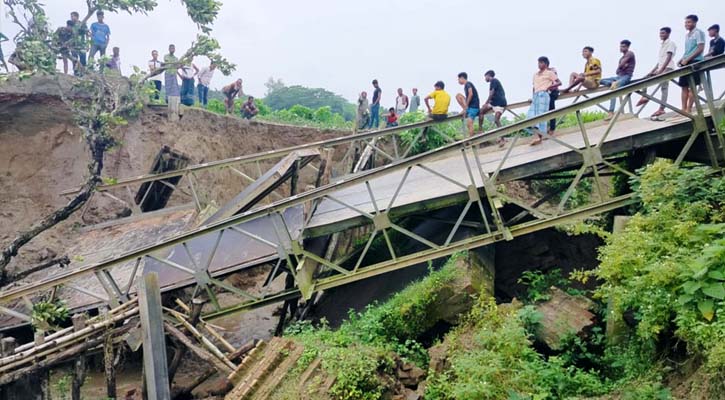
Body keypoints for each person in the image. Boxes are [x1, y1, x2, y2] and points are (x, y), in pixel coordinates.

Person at [637, 27, 677, 120]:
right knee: (645, 78)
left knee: (664, 87)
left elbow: (668, 57)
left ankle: (662, 108)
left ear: (668, 34)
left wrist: (661, 70)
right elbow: (660, 61)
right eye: (660, 33)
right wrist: (652, 71)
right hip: (661, 67)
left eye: (663, 33)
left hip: (668, 68)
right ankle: (644, 96)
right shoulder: (662, 45)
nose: (661, 35)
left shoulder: (671, 43)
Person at [528, 57, 561, 146]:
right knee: (531, 116)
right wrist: (533, 96)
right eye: (538, 62)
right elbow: (534, 86)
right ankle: (538, 136)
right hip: (536, 95)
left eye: (541, 63)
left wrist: (548, 87)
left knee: (541, 116)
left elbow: (559, 82)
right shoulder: (535, 75)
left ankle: (538, 137)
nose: (539, 64)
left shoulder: (550, 73)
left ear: (546, 64)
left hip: (544, 95)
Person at [600, 40, 636, 119]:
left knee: (614, 89)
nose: (621, 48)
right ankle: (611, 83)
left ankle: (611, 112)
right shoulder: (622, 57)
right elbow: (618, 70)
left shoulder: (630, 53)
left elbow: (621, 66)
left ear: (627, 47)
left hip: (626, 77)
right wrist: (622, 66)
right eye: (620, 46)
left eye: (623, 46)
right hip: (618, 77)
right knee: (599, 80)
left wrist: (622, 66)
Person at [677, 15, 706, 114]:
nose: (686, 24)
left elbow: (700, 48)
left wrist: (688, 59)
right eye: (685, 22)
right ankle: (683, 109)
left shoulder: (698, 33)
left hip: (695, 61)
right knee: (683, 86)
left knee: (693, 86)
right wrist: (682, 59)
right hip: (686, 61)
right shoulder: (687, 35)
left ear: (694, 22)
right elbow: (688, 50)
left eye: (689, 22)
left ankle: (689, 109)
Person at [480, 70, 508, 146]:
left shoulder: (494, 80)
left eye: (485, 76)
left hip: (499, 103)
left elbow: (491, 93)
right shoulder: (492, 82)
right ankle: (480, 130)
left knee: (496, 120)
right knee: (481, 111)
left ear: (488, 75)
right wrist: (487, 104)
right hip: (493, 103)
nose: (485, 78)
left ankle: (502, 139)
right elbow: (492, 94)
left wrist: (486, 103)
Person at [455, 72, 480, 136]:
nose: (458, 81)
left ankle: (471, 140)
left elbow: (470, 94)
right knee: (458, 95)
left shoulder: (468, 84)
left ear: (462, 78)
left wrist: (466, 104)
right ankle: (465, 109)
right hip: (469, 106)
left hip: (474, 107)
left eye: (458, 79)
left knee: (469, 123)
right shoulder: (466, 85)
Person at [546, 65, 562, 135]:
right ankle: (546, 129)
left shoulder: (552, 71)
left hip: (553, 92)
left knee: (551, 109)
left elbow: (556, 83)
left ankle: (552, 128)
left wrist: (549, 87)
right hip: (546, 93)